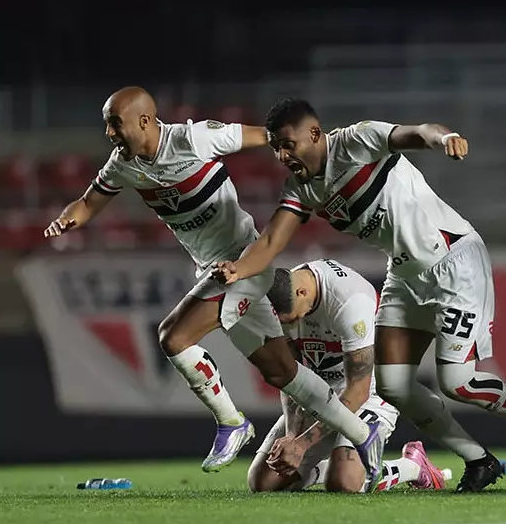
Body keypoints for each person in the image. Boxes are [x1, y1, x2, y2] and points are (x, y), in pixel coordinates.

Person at [211, 100, 506, 493]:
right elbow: (273, 238)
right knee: (393, 385)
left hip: (454, 261)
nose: (281, 155)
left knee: (457, 381)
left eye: (288, 144)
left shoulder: (354, 143)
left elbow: (416, 131)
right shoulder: (303, 187)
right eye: (275, 147)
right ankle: (479, 460)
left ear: (314, 134)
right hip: (404, 274)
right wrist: (239, 269)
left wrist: (443, 137)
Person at [43, 87, 380, 478]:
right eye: (107, 125)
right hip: (210, 269)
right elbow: (88, 202)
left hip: (242, 264)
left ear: (145, 120)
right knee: (281, 373)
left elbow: (267, 135)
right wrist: (69, 218)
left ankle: (231, 421)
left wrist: (317, 151)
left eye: (115, 124)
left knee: (174, 336)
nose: (109, 134)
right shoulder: (122, 164)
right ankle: (361, 432)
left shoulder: (194, 138)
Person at [248, 259, 448, 493]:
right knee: (262, 484)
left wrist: (302, 444)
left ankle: (412, 467)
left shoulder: (350, 302)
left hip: (371, 390)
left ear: (302, 292)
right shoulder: (281, 299)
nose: (293, 324)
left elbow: (357, 391)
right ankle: (326, 470)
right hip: (320, 392)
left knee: (344, 483)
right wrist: (293, 433)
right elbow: (289, 375)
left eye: (291, 319)